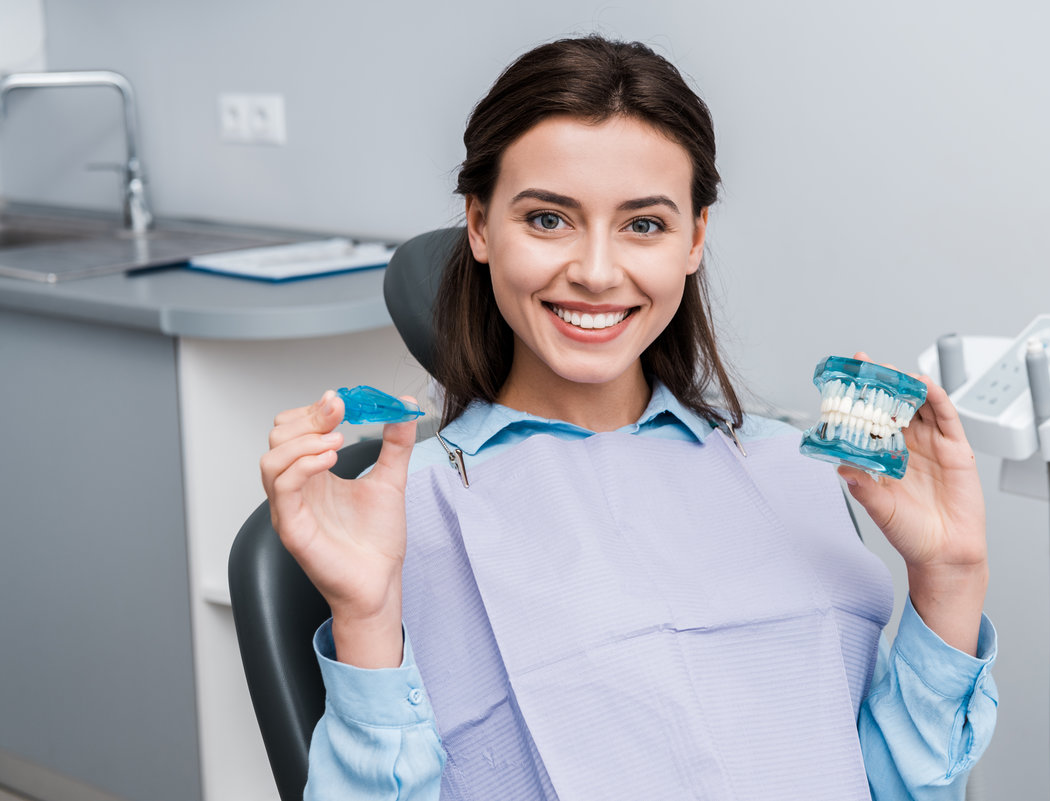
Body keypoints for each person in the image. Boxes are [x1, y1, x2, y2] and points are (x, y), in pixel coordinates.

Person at [261, 35, 997, 801]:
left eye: (643, 224)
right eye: (549, 219)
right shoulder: (411, 514)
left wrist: (949, 577)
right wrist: (368, 612)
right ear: (480, 225)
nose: (597, 271)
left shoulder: (789, 474)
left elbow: (893, 787)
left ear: (694, 239)